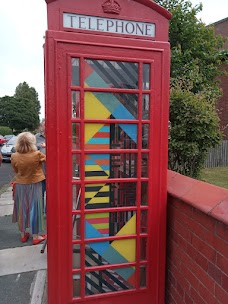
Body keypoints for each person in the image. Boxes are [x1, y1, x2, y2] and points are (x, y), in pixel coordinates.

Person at [11, 132, 46, 245]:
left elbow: (16, 171)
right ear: (32, 142)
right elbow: (50, 160)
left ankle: (23, 235)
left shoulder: (14, 156)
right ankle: (36, 236)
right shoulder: (37, 154)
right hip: (35, 183)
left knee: (22, 209)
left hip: (21, 184)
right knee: (35, 209)